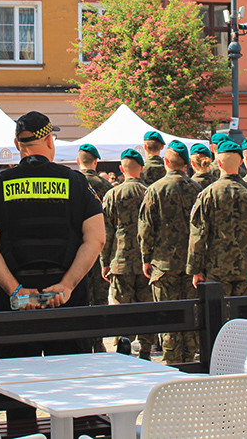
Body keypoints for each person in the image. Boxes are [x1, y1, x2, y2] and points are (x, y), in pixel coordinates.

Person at [0, 112, 104, 361]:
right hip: (66, 303)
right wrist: (66, 286)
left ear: (17, 145)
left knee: (17, 387)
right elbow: (96, 238)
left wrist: (16, 291)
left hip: (15, 305)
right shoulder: (75, 182)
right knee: (69, 385)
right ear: (49, 141)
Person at [139, 139, 201, 364]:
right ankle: (189, 365)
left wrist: (146, 259)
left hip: (163, 264)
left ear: (166, 161)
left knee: (169, 318)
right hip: (191, 265)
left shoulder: (155, 189)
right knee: (191, 318)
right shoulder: (197, 189)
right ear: (186, 164)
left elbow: (146, 228)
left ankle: (172, 366)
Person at [186, 140, 247, 296]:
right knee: (243, 317)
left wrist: (195, 269)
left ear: (218, 162)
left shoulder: (208, 194)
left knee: (217, 315)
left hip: (217, 267)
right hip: (245, 267)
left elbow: (198, 234)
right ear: (241, 162)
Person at [100, 148, 154, 358]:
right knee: (147, 307)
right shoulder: (150, 192)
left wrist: (105, 261)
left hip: (120, 259)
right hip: (145, 260)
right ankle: (146, 350)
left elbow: (107, 231)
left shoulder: (112, 194)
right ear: (141, 168)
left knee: (122, 308)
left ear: (121, 169)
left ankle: (124, 349)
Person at [77, 143, 112, 353]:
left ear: (78, 160)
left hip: (78, 252)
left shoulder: (73, 183)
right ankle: (98, 342)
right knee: (100, 299)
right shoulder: (106, 186)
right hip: (99, 251)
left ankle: (81, 340)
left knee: (80, 297)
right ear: (96, 161)